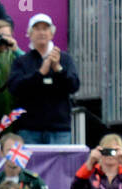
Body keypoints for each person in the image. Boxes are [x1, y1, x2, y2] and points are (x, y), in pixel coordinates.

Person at [5, 13, 80, 145]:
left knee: (58, 166)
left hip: (59, 129)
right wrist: (39, 74)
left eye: (45, 29)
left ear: (51, 34)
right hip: (29, 129)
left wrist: (58, 69)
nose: (41, 32)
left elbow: (74, 86)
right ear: (30, 34)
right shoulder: (21, 61)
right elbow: (14, 88)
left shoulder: (65, 59)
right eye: (37, 29)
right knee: (29, 166)